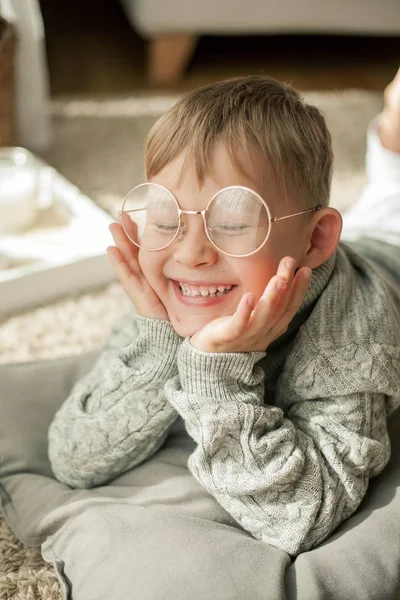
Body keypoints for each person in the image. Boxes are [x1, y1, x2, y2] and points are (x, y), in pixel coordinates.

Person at [47, 70, 400, 557]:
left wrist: (218, 373)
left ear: (316, 239)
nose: (190, 253)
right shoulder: (175, 296)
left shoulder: (350, 342)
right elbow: (74, 458)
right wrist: (160, 343)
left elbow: (302, 516)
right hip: (330, 241)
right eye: (166, 218)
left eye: (234, 222)